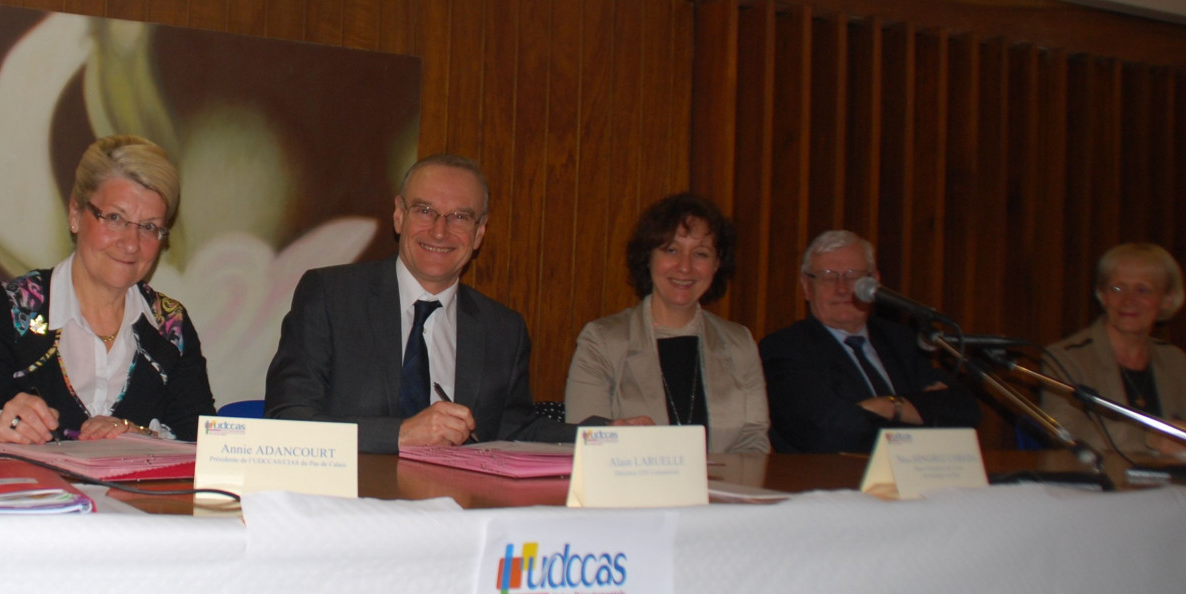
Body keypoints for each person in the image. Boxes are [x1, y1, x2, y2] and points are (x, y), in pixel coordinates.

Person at [0, 135, 215, 451]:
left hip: (138, 502)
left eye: (149, 227)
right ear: (75, 214)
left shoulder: (171, 327)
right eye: (115, 218)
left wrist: (140, 437)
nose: (131, 243)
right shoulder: (13, 309)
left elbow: (205, 444)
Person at [265, 153, 572, 453]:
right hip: (348, 498)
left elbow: (515, 430)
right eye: (425, 211)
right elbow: (289, 418)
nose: (440, 231)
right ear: (399, 215)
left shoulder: (503, 328)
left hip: (457, 501)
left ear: (479, 232)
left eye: (460, 217)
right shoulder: (330, 297)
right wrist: (400, 434)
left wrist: (608, 434)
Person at [563, 193, 771, 453]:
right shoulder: (602, 341)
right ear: (648, 257)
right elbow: (588, 440)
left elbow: (754, 442)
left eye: (701, 254)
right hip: (632, 490)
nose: (685, 267)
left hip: (725, 491)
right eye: (671, 250)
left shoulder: (739, 342)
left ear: (717, 264)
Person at [759, 230, 980, 453]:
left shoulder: (901, 339)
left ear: (874, 284)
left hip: (917, 475)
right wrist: (916, 412)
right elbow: (825, 432)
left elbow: (964, 411)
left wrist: (889, 406)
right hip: (834, 481)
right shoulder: (784, 348)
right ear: (807, 287)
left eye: (854, 276)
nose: (842, 289)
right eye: (828, 277)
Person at [1040, 242, 1186, 453]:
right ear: (1102, 296)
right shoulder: (1065, 357)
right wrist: (1151, 440)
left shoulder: (1172, 360)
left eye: (1143, 290)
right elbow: (1063, 428)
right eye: (1118, 289)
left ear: (1167, 300)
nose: (1128, 301)